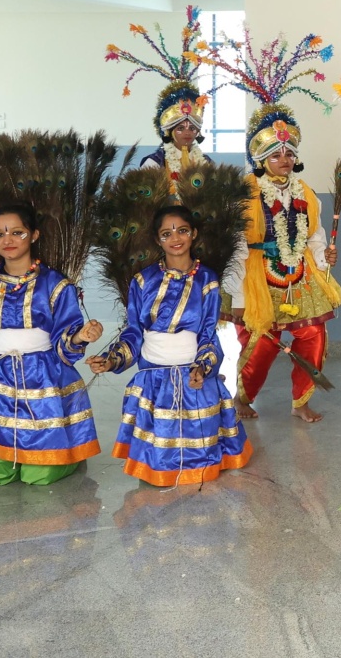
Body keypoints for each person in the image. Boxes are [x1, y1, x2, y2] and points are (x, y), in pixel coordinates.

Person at [0, 203, 104, 485]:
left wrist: (80, 337)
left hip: (44, 376)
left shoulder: (56, 285)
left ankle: (68, 453)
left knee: (39, 476)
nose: (8, 240)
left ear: (34, 235)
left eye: (17, 233)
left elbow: (65, 338)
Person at [86, 207, 251, 486]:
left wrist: (202, 367)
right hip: (154, 377)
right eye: (166, 233)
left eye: (182, 230)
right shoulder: (143, 281)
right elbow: (134, 332)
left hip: (193, 374)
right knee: (160, 445)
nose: (175, 238)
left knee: (199, 447)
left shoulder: (208, 280)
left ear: (193, 234)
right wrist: (112, 359)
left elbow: (207, 333)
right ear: (157, 239)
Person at [225, 97, 340, 423]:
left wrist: (323, 257)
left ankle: (301, 401)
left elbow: (314, 236)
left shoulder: (306, 193)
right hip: (256, 278)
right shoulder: (244, 194)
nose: (284, 160)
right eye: (275, 154)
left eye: (289, 153)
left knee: (314, 335)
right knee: (261, 343)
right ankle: (243, 397)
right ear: (261, 159)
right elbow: (236, 245)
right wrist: (238, 296)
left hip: (300, 275)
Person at [110, 6, 209, 194]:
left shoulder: (206, 163)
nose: (187, 133)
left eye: (192, 128)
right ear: (168, 131)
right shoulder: (153, 163)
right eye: (180, 128)